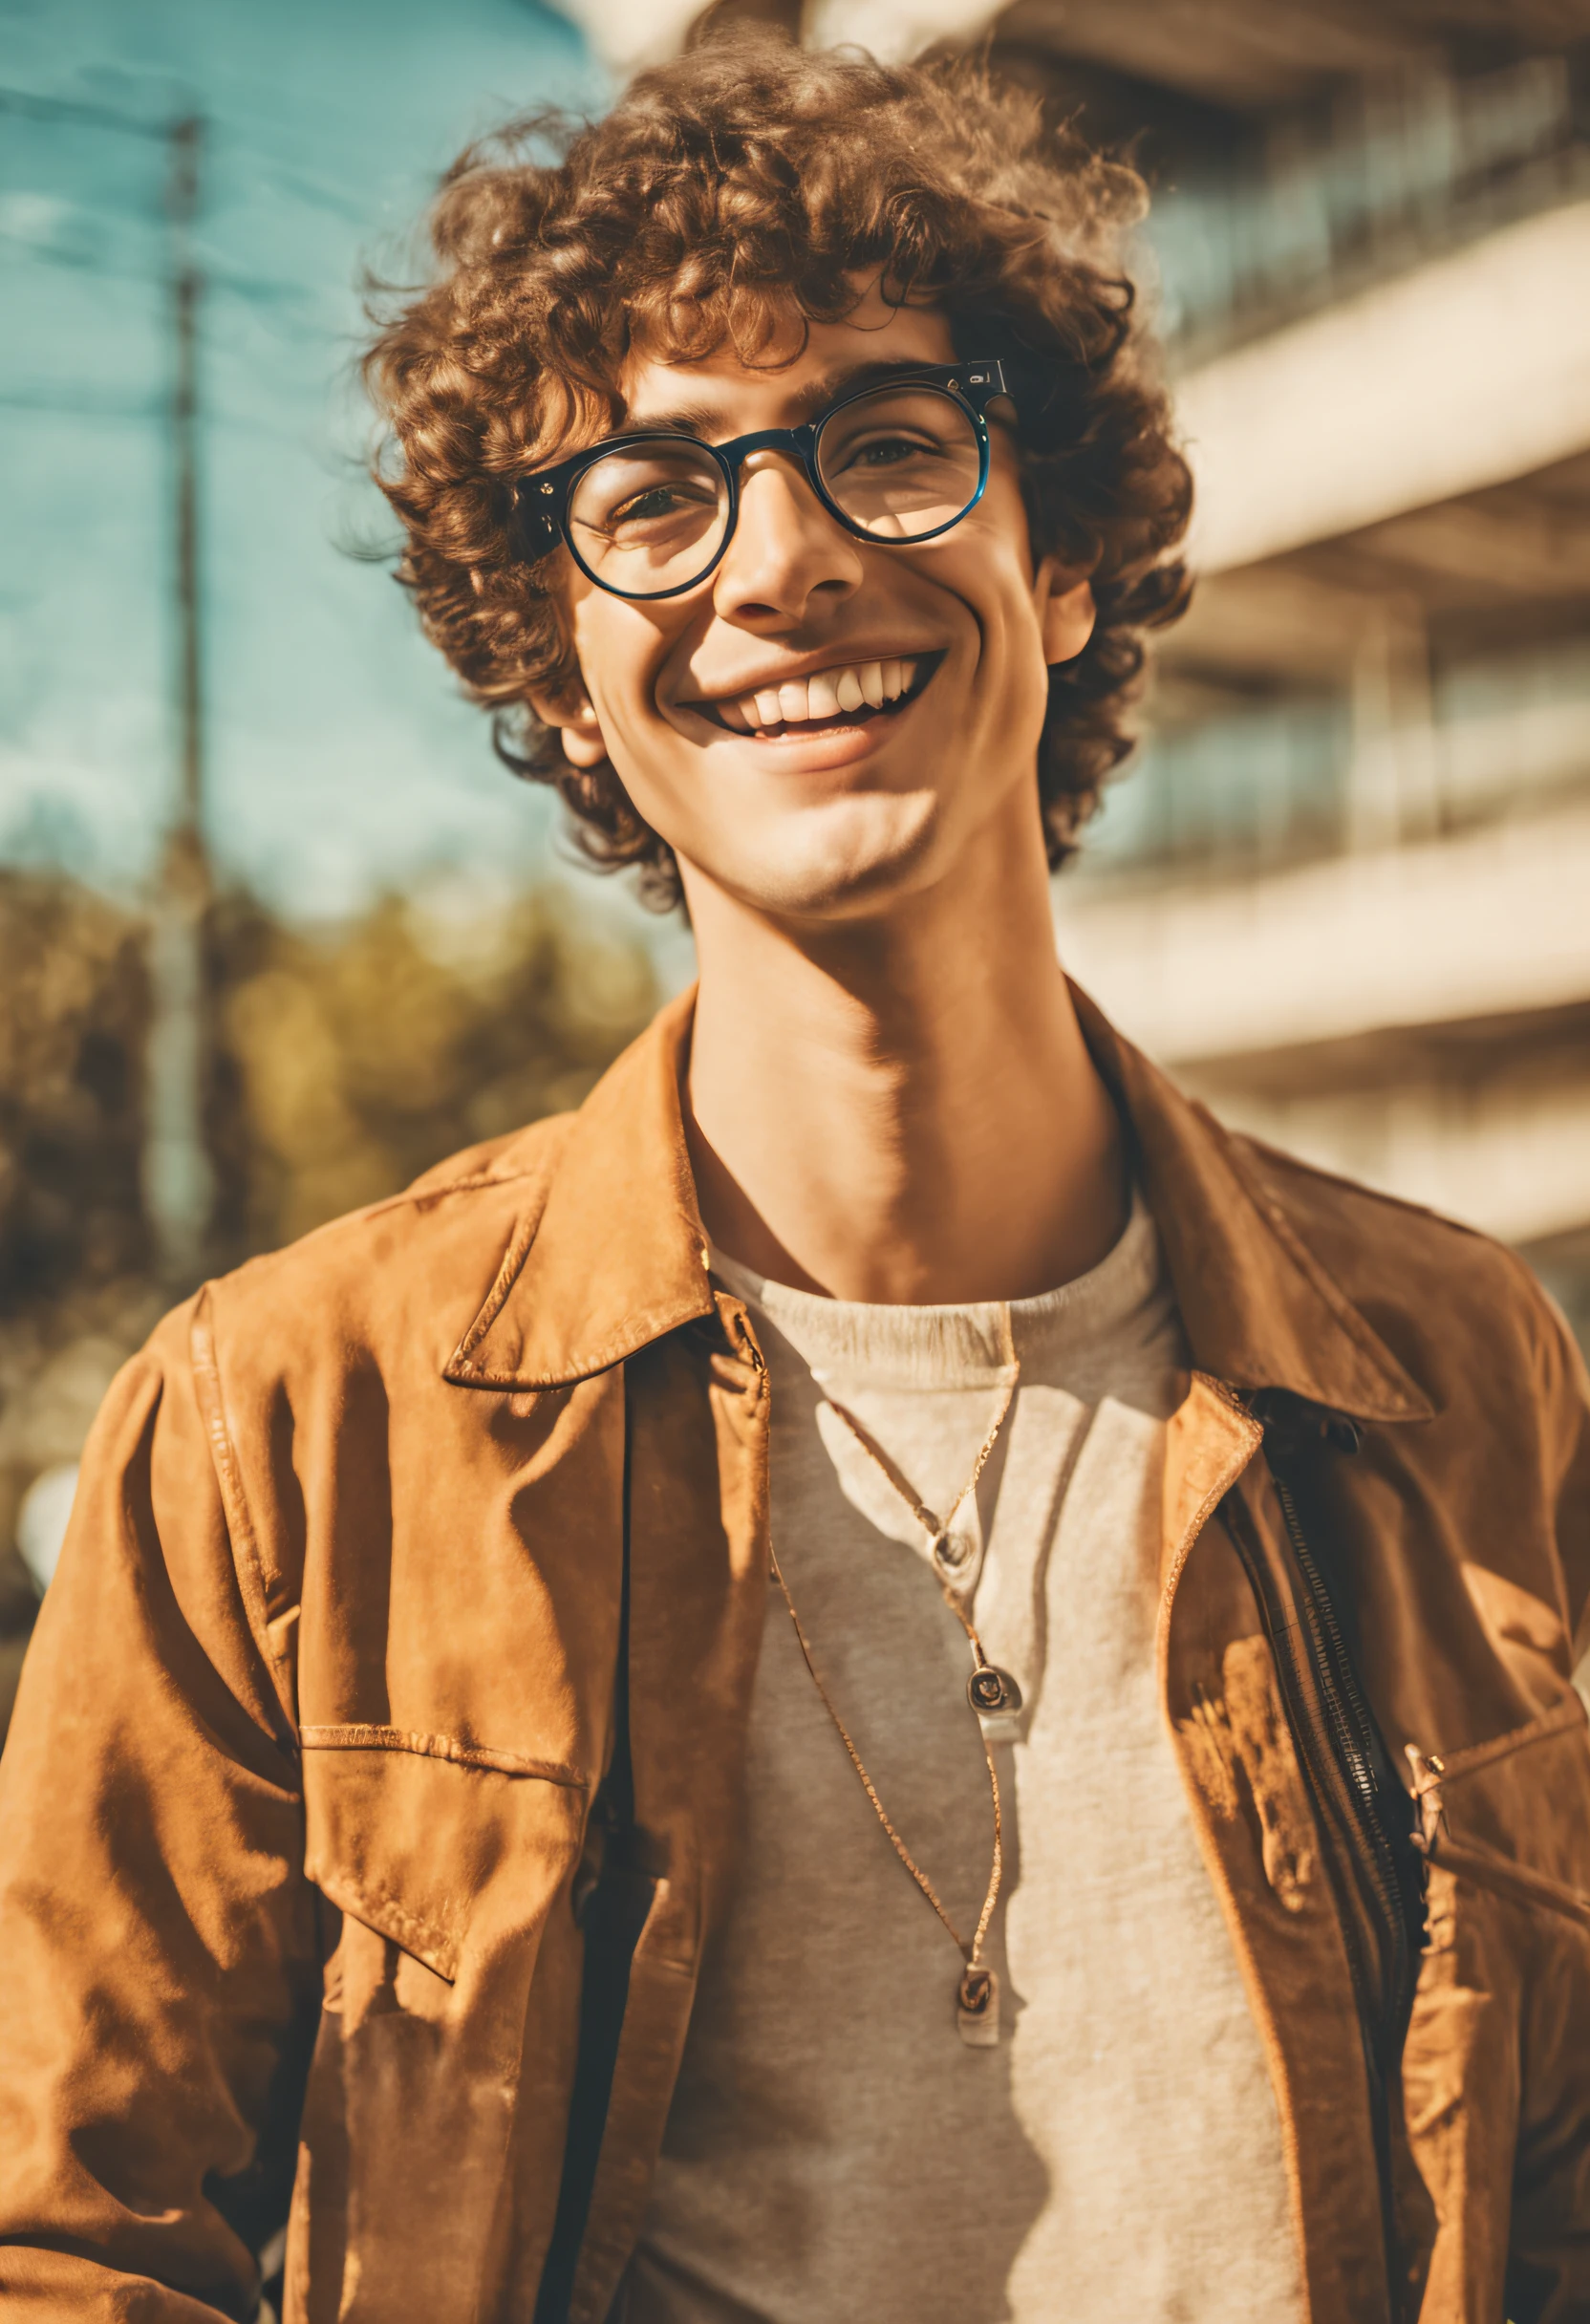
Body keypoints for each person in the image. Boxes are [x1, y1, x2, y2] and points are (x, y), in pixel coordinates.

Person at [2, 36, 1588, 2324]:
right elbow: (70, 2248)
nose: (789, 555)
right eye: (652, 498)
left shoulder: (1457, 1378)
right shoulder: (285, 1430)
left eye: (884, 446)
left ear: (1058, 568)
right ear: (561, 669)